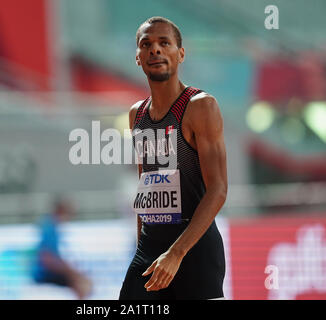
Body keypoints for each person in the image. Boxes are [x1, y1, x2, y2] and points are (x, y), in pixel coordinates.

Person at [119, 16, 228, 300]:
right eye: (147, 44)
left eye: (164, 43)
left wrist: (177, 253)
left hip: (194, 250)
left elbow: (218, 190)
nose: (155, 50)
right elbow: (148, 185)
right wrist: (141, 246)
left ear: (180, 54)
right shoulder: (137, 115)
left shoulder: (200, 106)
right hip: (150, 248)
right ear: (138, 58)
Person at [32, 196, 92, 299]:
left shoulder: (51, 225)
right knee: (83, 283)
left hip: (47, 269)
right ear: (61, 210)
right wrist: (70, 271)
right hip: (43, 272)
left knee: (82, 281)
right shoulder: (49, 227)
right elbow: (47, 258)